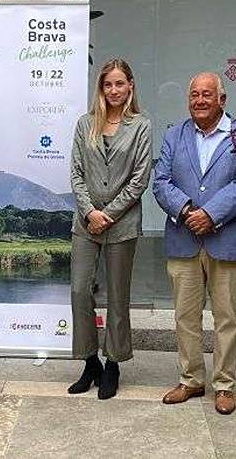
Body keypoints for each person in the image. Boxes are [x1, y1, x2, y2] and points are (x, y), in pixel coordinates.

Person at [153, 72, 236, 415]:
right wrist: (185, 209)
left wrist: (211, 214)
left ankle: (224, 385)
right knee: (185, 316)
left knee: (226, 318)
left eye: (207, 95)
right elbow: (161, 182)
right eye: (194, 94)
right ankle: (191, 379)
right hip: (183, 240)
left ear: (222, 100)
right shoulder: (174, 134)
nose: (199, 100)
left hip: (226, 240)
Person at [68, 58, 152, 400]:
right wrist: (90, 211)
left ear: (130, 85)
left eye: (120, 83)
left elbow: (140, 179)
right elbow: (75, 173)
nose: (114, 90)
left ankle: (113, 363)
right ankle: (90, 362)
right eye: (108, 84)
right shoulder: (84, 124)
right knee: (78, 290)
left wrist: (109, 214)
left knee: (118, 298)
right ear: (101, 88)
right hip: (85, 224)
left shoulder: (141, 126)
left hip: (122, 225)